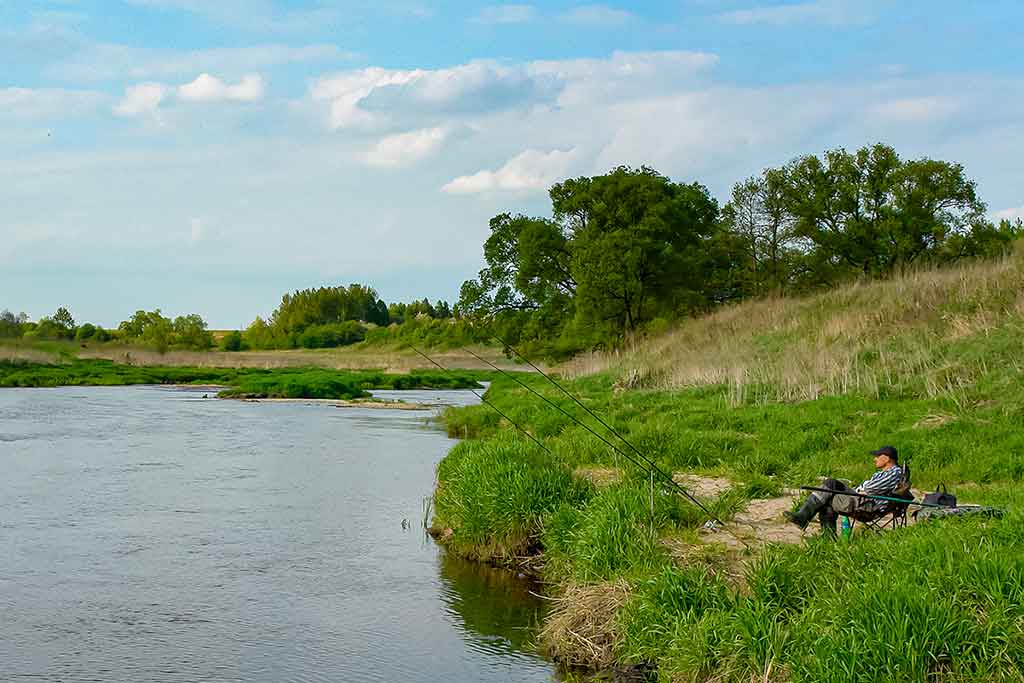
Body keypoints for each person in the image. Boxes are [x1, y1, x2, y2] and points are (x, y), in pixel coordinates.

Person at [784, 446, 904, 536]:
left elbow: (870, 488)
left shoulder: (895, 472)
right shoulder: (881, 473)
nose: (874, 459)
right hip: (863, 500)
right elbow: (866, 487)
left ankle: (804, 517)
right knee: (827, 494)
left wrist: (862, 488)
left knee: (830, 484)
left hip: (870, 505)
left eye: (877, 456)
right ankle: (827, 536)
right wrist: (862, 489)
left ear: (886, 458)